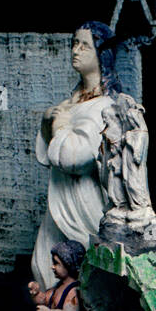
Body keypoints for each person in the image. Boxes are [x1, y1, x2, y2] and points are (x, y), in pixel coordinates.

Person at [31, 20, 117, 291]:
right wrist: (48, 123)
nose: (76, 51)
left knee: (86, 271)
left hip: (84, 202)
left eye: (84, 45)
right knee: (43, 265)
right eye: (74, 44)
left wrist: (58, 125)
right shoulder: (71, 101)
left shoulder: (106, 106)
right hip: (58, 199)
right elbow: (47, 155)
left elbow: (74, 159)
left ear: (101, 53)